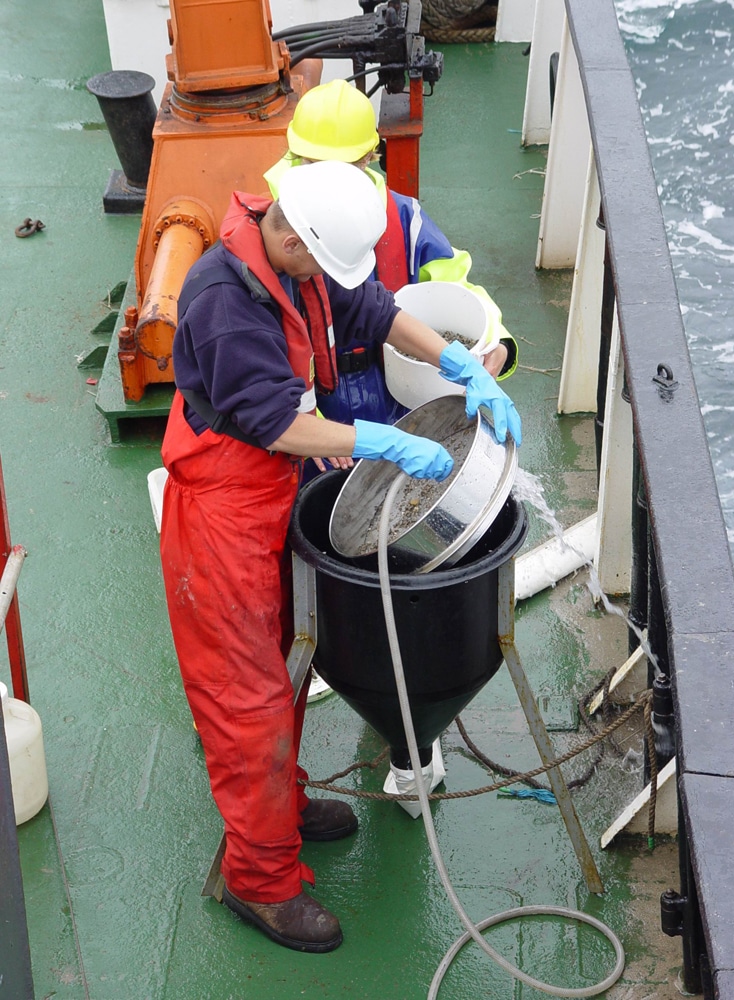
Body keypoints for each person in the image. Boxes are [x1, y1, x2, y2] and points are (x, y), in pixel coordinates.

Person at [159, 160, 521, 955]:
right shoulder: (224, 303)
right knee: (247, 700)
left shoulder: (301, 263)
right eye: (320, 263)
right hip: (221, 516)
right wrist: (381, 441)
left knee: (291, 661)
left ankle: (277, 813)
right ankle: (256, 880)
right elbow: (277, 425)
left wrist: (457, 362)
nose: (330, 279)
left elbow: (375, 310)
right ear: (286, 233)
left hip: (269, 499)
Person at [264, 78, 519, 431]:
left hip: (398, 393)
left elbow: (457, 289)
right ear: (295, 155)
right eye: (317, 167)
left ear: (369, 157)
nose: (332, 186)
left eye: (344, 169)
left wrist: (497, 343)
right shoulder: (269, 225)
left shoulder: (405, 219)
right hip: (304, 403)